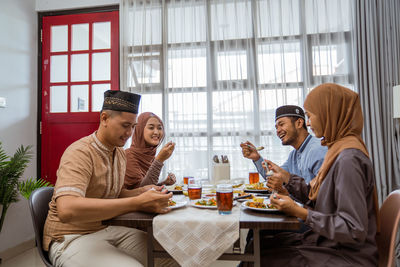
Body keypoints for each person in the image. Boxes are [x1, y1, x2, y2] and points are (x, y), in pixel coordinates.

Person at [43, 90, 175, 267]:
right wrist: (138, 202)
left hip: (103, 228)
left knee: (173, 256)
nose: (129, 133)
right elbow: (67, 209)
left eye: (133, 127)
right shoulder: (80, 152)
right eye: (125, 125)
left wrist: (140, 192)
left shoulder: (119, 153)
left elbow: (116, 194)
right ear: (104, 119)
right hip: (69, 238)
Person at [259, 83, 379, 266]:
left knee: (259, 258)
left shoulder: (348, 159)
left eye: (310, 116)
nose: (308, 123)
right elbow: (321, 197)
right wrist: (288, 179)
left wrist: (300, 212)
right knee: (260, 245)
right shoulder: (338, 148)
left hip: (346, 256)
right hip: (329, 243)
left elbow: (353, 229)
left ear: (328, 114)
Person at [241, 105, 327, 185]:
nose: (278, 131)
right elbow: (275, 177)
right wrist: (257, 158)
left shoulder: (318, 149)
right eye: (276, 127)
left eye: (281, 124)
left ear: (299, 123)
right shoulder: (293, 155)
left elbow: (323, 194)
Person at [124, 112, 176, 189]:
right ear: (140, 130)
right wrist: (159, 160)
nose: (156, 132)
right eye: (151, 128)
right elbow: (140, 192)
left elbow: (146, 185)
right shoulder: (128, 155)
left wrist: (164, 183)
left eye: (159, 128)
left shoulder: (149, 155)